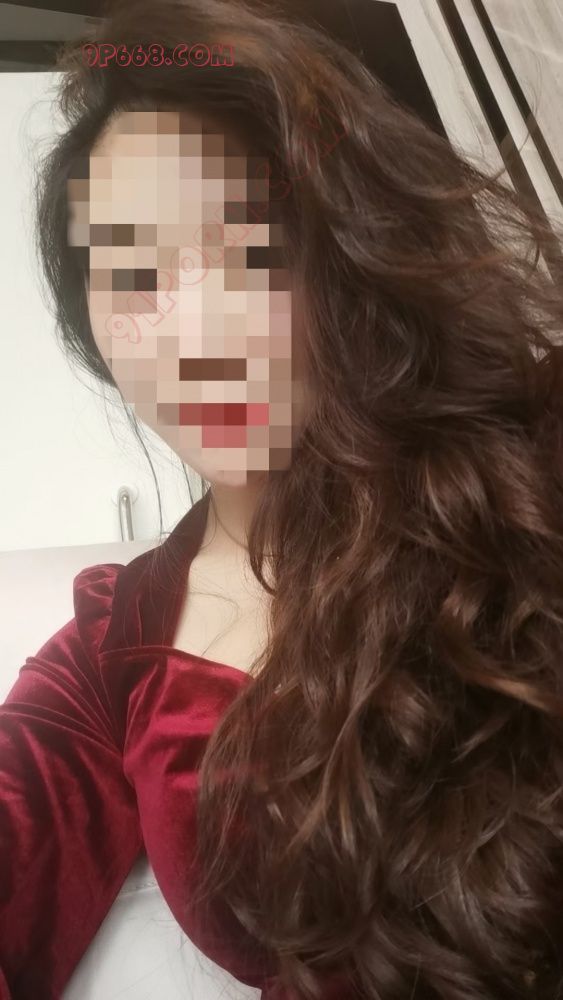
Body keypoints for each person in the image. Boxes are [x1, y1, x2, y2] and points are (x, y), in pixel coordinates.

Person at [2, 0, 563, 996]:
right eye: (134, 274)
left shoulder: (530, 464)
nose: (193, 334)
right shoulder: (118, 642)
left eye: (250, 248)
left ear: (350, 249)